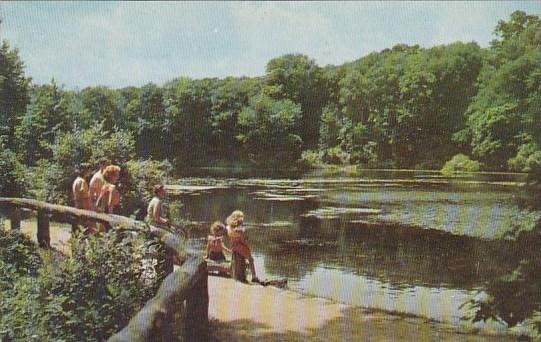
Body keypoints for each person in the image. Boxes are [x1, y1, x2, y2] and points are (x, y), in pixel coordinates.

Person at [226, 210, 259, 283]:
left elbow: (231, 238)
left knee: (237, 260)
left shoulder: (229, 228)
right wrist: (248, 246)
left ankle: (234, 273)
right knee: (251, 259)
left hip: (234, 247)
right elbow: (244, 240)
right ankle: (254, 275)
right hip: (241, 247)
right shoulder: (241, 231)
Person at [71, 163, 92, 233]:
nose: (90, 172)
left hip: (77, 206)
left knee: (76, 229)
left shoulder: (76, 180)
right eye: (89, 171)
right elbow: (82, 192)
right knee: (83, 229)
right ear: (85, 171)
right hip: (82, 207)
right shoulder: (82, 181)